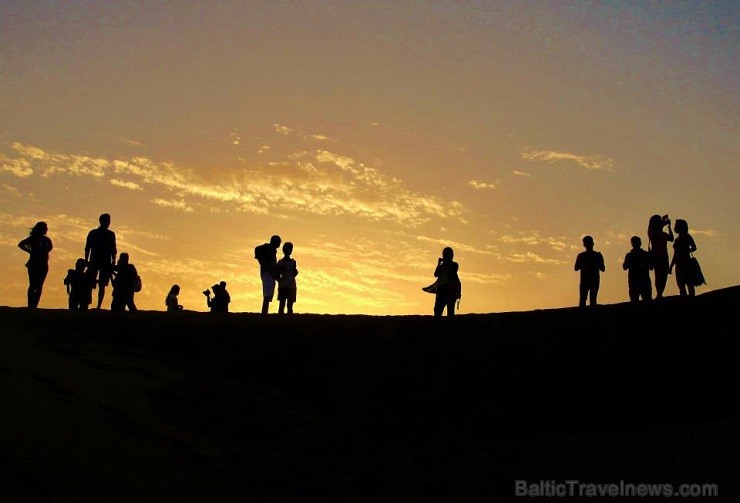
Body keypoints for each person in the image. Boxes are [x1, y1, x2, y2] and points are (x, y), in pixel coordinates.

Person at [17, 221, 53, 309]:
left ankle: (35, 305)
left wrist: (42, 252)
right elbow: (20, 244)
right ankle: (30, 305)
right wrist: (30, 251)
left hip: (43, 264)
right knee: (33, 284)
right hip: (34, 263)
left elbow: (50, 248)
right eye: (45, 228)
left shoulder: (47, 240)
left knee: (39, 285)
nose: (47, 230)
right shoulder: (33, 238)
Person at [85, 213, 117, 309]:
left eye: (108, 221)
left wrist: (113, 261)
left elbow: (113, 249)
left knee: (102, 284)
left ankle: (98, 305)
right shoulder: (93, 233)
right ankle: (87, 303)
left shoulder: (110, 234)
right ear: (101, 221)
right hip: (95, 261)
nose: (108, 223)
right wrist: (87, 260)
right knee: (90, 283)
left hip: (104, 262)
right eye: (106, 221)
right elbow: (87, 248)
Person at [647, 214, 674, 299]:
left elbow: (671, 239)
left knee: (664, 276)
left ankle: (660, 293)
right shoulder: (652, 232)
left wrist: (669, 227)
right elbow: (656, 235)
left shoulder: (663, 233)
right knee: (659, 275)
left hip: (664, 256)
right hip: (657, 256)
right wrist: (665, 224)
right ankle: (659, 293)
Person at [669, 219, 698, 297]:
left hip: (686, 263)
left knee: (689, 283)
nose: (675, 227)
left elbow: (694, 247)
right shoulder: (677, 239)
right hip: (678, 264)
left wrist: (686, 250)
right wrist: (671, 266)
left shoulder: (687, 236)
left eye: (676, 225)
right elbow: (675, 254)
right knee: (681, 285)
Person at [574, 235, 605, 307]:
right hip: (590, 280)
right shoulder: (596, 255)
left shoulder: (582, 255)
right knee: (589, 300)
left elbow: (576, 268)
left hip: (588, 280)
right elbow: (602, 268)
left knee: (585, 300)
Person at [254, 235, 281, 314]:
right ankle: (264, 312)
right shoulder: (267, 247)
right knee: (267, 294)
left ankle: (265, 312)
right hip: (267, 273)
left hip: (270, 273)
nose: (279, 244)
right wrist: (262, 262)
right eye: (278, 242)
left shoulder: (272, 250)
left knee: (268, 294)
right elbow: (257, 249)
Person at [622, 236, 653, 303]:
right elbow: (651, 267)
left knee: (637, 301)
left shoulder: (630, 255)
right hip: (639, 281)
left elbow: (624, 267)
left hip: (638, 281)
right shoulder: (643, 254)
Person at [433, 247, 461, 317]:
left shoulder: (454, 265)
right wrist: (439, 264)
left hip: (450, 291)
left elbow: (452, 272)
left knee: (450, 312)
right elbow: (436, 274)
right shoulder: (442, 266)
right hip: (441, 291)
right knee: (437, 311)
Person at [277, 242, 298, 314]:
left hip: (290, 284)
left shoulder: (293, 262)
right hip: (284, 285)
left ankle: (288, 319)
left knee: (289, 305)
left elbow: (295, 273)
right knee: (282, 304)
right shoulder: (281, 262)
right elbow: (278, 273)